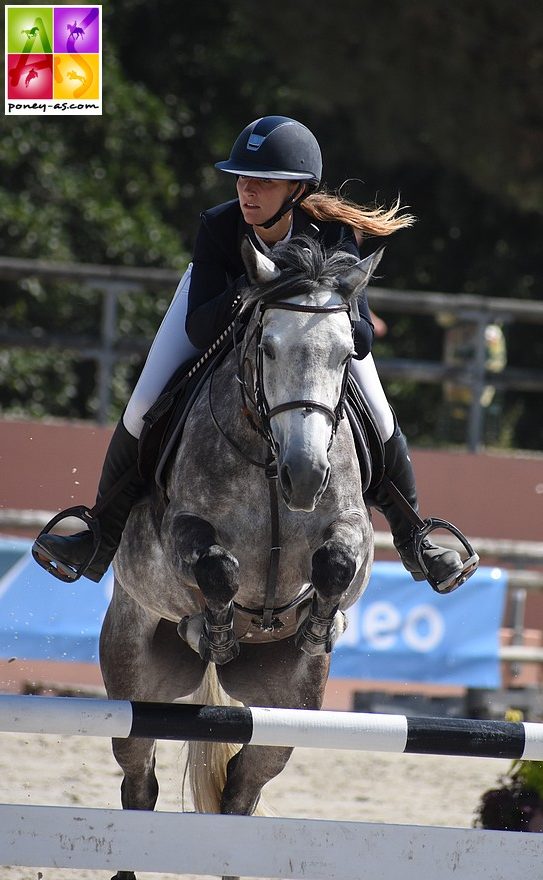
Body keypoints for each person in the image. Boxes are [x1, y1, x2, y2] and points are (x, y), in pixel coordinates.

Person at [34, 115, 475, 592]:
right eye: (243, 178)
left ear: (296, 190)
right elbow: (200, 328)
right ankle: (99, 534)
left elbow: (363, 337)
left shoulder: (333, 234)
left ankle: (415, 538)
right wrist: (253, 288)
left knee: (382, 417)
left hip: (312, 337)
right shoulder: (220, 226)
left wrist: (326, 305)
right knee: (142, 406)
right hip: (216, 317)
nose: (247, 191)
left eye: (263, 181)